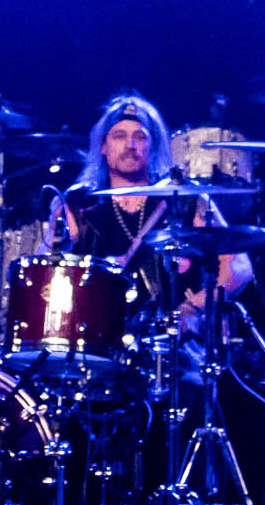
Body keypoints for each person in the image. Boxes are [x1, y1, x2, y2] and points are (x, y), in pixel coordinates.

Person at [53, 93, 253, 335]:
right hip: (93, 346)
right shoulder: (78, 204)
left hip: (174, 348)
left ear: (153, 147)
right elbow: (49, 274)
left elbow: (240, 267)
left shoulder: (185, 198)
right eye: (120, 136)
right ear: (103, 146)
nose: (131, 145)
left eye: (140, 137)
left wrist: (194, 308)